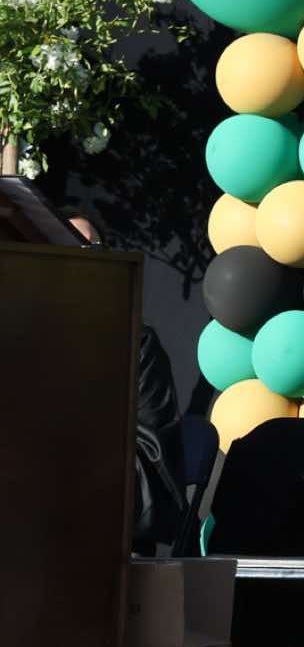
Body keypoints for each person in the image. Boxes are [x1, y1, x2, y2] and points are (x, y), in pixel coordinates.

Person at [62, 206, 192, 553]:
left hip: (99, 537)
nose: (81, 256)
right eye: (66, 245)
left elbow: (155, 463)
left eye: (92, 247)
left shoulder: (134, 343)